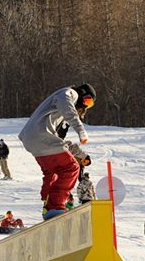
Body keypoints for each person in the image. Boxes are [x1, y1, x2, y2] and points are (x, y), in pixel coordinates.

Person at [18, 83, 96, 219]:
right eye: (87, 102)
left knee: (52, 171)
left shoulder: (56, 117)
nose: (85, 107)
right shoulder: (69, 93)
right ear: (82, 95)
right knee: (71, 168)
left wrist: (82, 155)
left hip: (32, 140)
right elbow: (67, 107)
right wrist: (80, 130)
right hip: (41, 135)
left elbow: (60, 144)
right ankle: (55, 205)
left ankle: (47, 205)